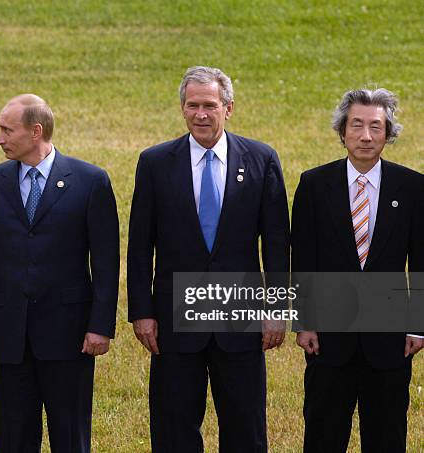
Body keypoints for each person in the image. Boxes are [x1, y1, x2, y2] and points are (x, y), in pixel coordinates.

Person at [127, 66, 290, 452]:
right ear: (182, 109)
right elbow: (138, 245)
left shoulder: (261, 159)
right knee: (174, 427)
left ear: (228, 108)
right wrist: (142, 312)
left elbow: (278, 243)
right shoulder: (154, 163)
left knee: (245, 427)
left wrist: (278, 307)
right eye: (192, 105)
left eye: (210, 105)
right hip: (175, 318)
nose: (201, 114)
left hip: (241, 317)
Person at [0, 94, 119, 453]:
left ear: (36, 131)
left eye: (7, 130)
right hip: (11, 334)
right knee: (13, 436)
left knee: (70, 435)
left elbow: (107, 262)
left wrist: (100, 326)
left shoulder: (90, 181)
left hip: (69, 335)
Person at [292, 88, 424, 452]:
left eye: (376, 127)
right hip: (329, 340)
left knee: (387, 434)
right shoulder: (314, 185)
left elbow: (421, 261)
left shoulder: (412, 187)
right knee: (322, 433)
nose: (366, 136)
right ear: (343, 131)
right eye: (357, 126)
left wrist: (417, 324)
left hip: (390, 341)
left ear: (388, 133)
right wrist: (304, 322)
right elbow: (302, 260)